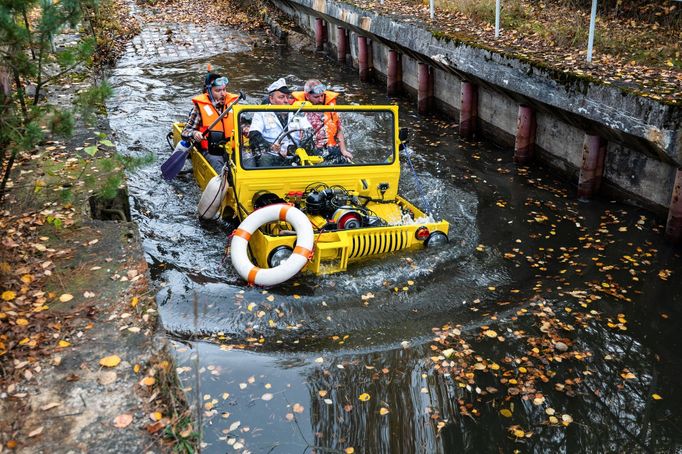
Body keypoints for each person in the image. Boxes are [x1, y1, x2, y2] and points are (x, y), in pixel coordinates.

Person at [181, 72, 239, 173]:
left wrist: (246, 128)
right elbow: (185, 132)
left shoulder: (232, 104)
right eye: (218, 91)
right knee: (222, 171)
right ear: (209, 91)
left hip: (231, 149)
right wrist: (195, 133)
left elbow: (241, 124)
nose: (223, 94)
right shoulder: (199, 108)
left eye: (224, 90)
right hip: (211, 151)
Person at [291, 79, 352, 163]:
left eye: (322, 96)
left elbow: (338, 129)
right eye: (316, 97)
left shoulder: (330, 105)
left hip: (331, 148)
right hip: (310, 152)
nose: (320, 99)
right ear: (307, 95)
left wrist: (343, 150)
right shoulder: (297, 108)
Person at [248, 78, 299, 167]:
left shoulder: (297, 112)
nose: (286, 101)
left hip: (295, 155)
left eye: (288, 97)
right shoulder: (261, 113)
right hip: (272, 155)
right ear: (271, 99)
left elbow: (309, 134)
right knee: (265, 159)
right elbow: (254, 136)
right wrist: (271, 146)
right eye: (281, 97)